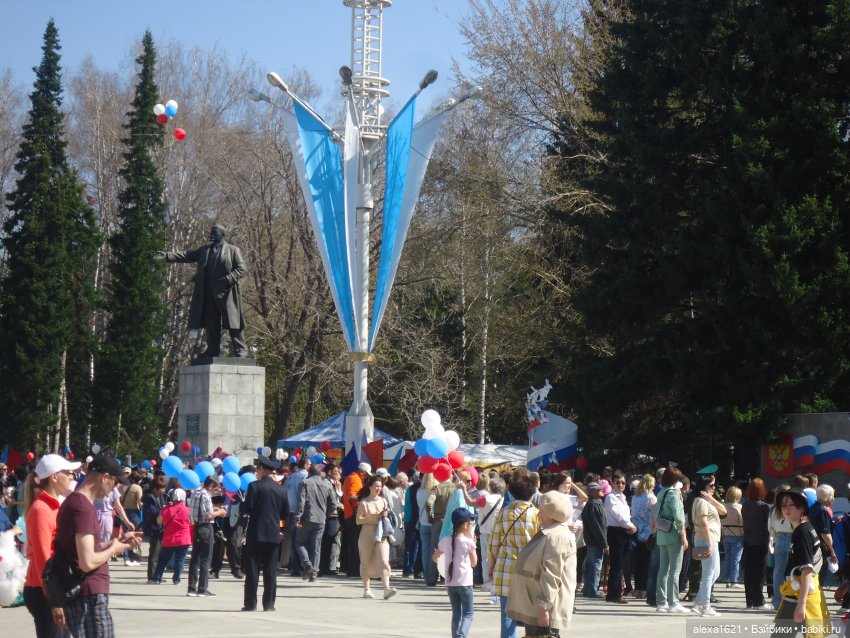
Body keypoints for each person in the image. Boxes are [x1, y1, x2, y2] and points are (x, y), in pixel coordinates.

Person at [53, 454, 142, 638]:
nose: (114, 489)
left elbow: (84, 548)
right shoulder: (82, 507)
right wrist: (113, 550)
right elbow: (87, 562)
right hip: (89, 595)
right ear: (105, 477)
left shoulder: (78, 503)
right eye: (115, 482)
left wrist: (115, 543)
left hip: (88, 594)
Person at [158, 224, 248, 358]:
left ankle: (241, 349)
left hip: (227, 292)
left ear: (222, 235)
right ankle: (212, 350)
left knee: (233, 322)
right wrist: (167, 255)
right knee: (211, 323)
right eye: (211, 232)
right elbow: (186, 255)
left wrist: (228, 279)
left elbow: (242, 269)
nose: (211, 234)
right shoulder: (204, 250)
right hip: (208, 293)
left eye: (215, 232)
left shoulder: (232, 250)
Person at [24, 454, 80, 638]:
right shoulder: (41, 509)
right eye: (68, 473)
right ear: (54, 477)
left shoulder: (53, 506)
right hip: (44, 592)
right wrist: (55, 600)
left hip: (52, 589)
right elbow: (43, 558)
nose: (72, 477)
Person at [507, 491, 577, 637]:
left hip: (543, 607)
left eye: (542, 512)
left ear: (551, 515)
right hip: (535, 604)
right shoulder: (550, 532)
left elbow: (552, 574)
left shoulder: (557, 537)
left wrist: (543, 607)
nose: (538, 515)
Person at [772, 487, 831, 633]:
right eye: (784, 505)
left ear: (802, 507)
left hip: (798, 595)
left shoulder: (802, 532)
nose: (787, 508)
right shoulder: (805, 528)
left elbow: (807, 569)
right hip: (802, 592)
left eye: (792, 504)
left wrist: (801, 604)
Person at [488, 475, 539, 638]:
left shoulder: (504, 513)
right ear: (532, 493)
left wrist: (491, 566)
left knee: (507, 616)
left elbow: (494, 543)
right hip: (530, 571)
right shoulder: (537, 515)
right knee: (531, 617)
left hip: (506, 568)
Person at [242, 456, 288, 612]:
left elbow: (248, 508)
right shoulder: (281, 489)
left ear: (262, 469)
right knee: (270, 571)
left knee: (253, 570)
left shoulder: (254, 486)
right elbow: (285, 514)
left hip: (256, 534)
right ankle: (269, 605)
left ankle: (250, 604)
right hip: (273, 534)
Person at [435, 508, 478, 638]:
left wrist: (442, 562)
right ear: (466, 525)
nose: (472, 525)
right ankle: (461, 635)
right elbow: (474, 562)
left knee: (456, 614)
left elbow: (435, 557)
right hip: (465, 582)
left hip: (451, 582)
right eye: (471, 523)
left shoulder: (445, 540)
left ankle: (456, 636)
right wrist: (474, 544)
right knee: (468, 613)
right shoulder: (469, 542)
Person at [651, 467, 689, 614]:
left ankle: (662, 602)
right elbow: (679, 517)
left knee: (663, 569)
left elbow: (655, 512)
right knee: (675, 570)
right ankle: (674, 602)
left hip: (661, 534)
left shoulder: (661, 492)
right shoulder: (673, 494)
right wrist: (684, 536)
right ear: (675, 480)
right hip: (673, 534)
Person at [356, 474, 397, 600]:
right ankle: (367, 589)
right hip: (367, 533)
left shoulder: (383, 500)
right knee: (366, 561)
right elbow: (358, 520)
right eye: (376, 486)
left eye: (380, 486)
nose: (378, 488)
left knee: (384, 560)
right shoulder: (364, 502)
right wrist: (372, 517)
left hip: (381, 533)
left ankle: (386, 588)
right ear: (370, 487)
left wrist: (385, 515)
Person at [294, 462, 337, 581]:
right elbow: (334, 504)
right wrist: (326, 514)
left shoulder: (305, 483)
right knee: (316, 547)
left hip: (307, 517)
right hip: (321, 519)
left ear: (309, 472)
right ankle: (314, 575)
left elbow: (301, 502)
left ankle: (307, 564)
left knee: (299, 542)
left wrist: (298, 517)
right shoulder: (327, 485)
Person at [690, 474, 726, 616]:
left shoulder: (707, 501)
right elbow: (703, 522)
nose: (714, 488)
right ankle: (705, 606)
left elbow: (724, 511)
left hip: (710, 539)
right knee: (708, 574)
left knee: (714, 572)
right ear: (704, 486)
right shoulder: (700, 502)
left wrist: (711, 498)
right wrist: (710, 543)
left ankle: (699, 602)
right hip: (707, 539)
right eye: (711, 485)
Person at [186, 476, 227, 597]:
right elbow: (208, 515)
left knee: (195, 559)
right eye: (216, 488)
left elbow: (198, 510)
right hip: (206, 527)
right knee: (205, 558)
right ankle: (203, 588)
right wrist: (220, 512)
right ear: (210, 486)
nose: (216, 491)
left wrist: (213, 509)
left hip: (197, 526)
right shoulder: (206, 495)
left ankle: (191, 588)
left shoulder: (196, 492)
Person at [604, 470, 637, 605]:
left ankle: (613, 593)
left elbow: (626, 515)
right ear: (612, 482)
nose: (621, 485)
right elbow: (618, 516)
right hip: (615, 531)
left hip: (623, 531)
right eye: (618, 482)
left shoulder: (622, 497)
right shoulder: (611, 497)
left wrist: (629, 526)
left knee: (619, 564)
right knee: (617, 564)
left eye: (623, 482)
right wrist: (630, 526)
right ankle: (615, 594)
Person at [151, 488, 192, 584]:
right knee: (180, 560)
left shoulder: (166, 509)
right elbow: (192, 522)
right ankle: (176, 579)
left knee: (163, 560)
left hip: (169, 538)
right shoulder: (187, 510)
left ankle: (157, 577)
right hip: (183, 539)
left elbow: (158, 521)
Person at [742, 478, 771, 610]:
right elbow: (768, 524)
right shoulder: (763, 506)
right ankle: (759, 600)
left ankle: (749, 600)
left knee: (749, 571)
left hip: (748, 540)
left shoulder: (745, 505)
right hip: (760, 541)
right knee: (759, 572)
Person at [479, 476, 505, 602]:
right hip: (499, 531)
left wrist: (479, 526)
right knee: (498, 557)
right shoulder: (504, 500)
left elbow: (481, 514)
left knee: (486, 556)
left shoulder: (485, 499)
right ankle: (496, 581)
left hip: (485, 529)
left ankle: (486, 581)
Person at [630, 474, 657, 599]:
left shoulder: (635, 498)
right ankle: (645, 589)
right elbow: (654, 516)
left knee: (638, 563)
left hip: (636, 531)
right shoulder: (652, 498)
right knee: (647, 563)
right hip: (648, 532)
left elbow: (633, 514)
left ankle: (638, 589)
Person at [342, 462, 370, 578]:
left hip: (350, 514)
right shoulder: (355, 479)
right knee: (356, 543)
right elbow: (351, 496)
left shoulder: (352, 477)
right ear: (362, 472)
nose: (367, 477)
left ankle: (351, 569)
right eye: (366, 474)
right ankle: (354, 570)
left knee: (352, 543)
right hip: (354, 514)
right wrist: (364, 499)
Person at [581, 481, 608, 599]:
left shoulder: (591, 504)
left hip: (591, 540)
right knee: (596, 565)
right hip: (595, 540)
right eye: (598, 489)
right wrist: (605, 543)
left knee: (590, 565)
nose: (602, 490)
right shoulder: (594, 505)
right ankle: (592, 590)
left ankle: (588, 589)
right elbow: (598, 526)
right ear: (592, 492)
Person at [319, 463, 343, 576]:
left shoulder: (335, 484)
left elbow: (338, 496)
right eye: (336, 472)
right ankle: (324, 567)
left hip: (335, 515)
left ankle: (329, 566)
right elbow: (331, 500)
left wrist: (339, 490)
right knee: (327, 541)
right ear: (329, 472)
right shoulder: (326, 483)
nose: (338, 474)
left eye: (339, 472)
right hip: (330, 516)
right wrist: (339, 505)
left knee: (333, 541)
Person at [141, 475, 166, 583]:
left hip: (160, 527)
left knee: (159, 552)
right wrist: (164, 511)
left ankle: (157, 575)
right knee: (154, 552)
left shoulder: (159, 497)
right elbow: (152, 513)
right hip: (153, 527)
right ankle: (152, 576)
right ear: (155, 488)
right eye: (161, 489)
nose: (163, 491)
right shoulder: (149, 497)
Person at [720, 485, 744, 588]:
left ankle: (726, 579)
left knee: (727, 557)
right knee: (736, 559)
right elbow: (741, 523)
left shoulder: (723, 506)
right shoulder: (739, 507)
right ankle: (734, 580)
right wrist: (744, 534)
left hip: (726, 534)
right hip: (737, 535)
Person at [120, 470, 143, 566]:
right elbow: (140, 502)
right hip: (134, 512)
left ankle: (126, 557)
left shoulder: (123, 487)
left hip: (124, 511)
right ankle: (134, 557)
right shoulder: (137, 487)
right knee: (135, 534)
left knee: (125, 535)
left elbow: (120, 499)